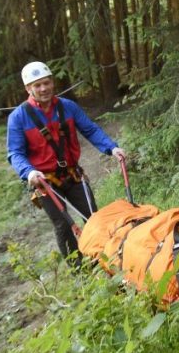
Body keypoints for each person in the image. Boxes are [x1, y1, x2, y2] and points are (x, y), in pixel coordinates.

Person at [7, 60, 126, 260]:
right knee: (63, 225)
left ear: (52, 82)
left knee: (93, 217)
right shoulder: (18, 118)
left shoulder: (68, 107)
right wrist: (29, 172)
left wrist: (111, 147)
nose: (43, 88)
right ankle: (80, 271)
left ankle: (104, 259)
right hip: (45, 181)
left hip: (73, 174)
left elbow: (90, 129)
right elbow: (15, 153)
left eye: (46, 83)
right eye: (37, 85)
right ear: (28, 88)